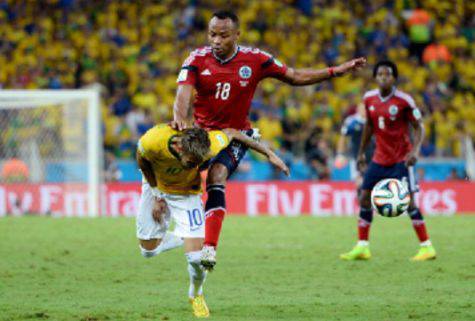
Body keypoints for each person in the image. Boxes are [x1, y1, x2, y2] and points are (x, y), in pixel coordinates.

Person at [171, 10, 366, 269]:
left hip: (236, 135)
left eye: (223, 35)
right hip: (203, 136)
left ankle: (210, 248)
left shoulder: (255, 59)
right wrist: (180, 119)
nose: (216, 40)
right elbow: (182, 96)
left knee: (217, 176)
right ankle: (165, 218)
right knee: (182, 181)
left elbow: (294, 76)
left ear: (237, 35)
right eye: (212, 34)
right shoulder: (196, 59)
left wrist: (334, 72)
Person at [136, 124, 289, 318]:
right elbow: (141, 159)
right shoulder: (154, 140)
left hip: (187, 195)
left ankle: (196, 294)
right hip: (155, 185)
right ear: (180, 147)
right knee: (148, 251)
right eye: (192, 162)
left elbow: (234, 133)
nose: (196, 165)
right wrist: (157, 195)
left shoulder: (211, 143)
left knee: (197, 259)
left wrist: (269, 154)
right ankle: (188, 237)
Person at [340, 60, 436, 262]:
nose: (384, 77)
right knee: (364, 197)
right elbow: (369, 127)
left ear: (394, 78)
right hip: (379, 159)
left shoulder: (404, 101)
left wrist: (415, 151)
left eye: (388, 74)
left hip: (401, 159)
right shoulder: (369, 99)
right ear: (375, 78)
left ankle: (427, 247)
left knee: (408, 203)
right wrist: (361, 154)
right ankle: (362, 247)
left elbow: (420, 127)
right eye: (380, 74)